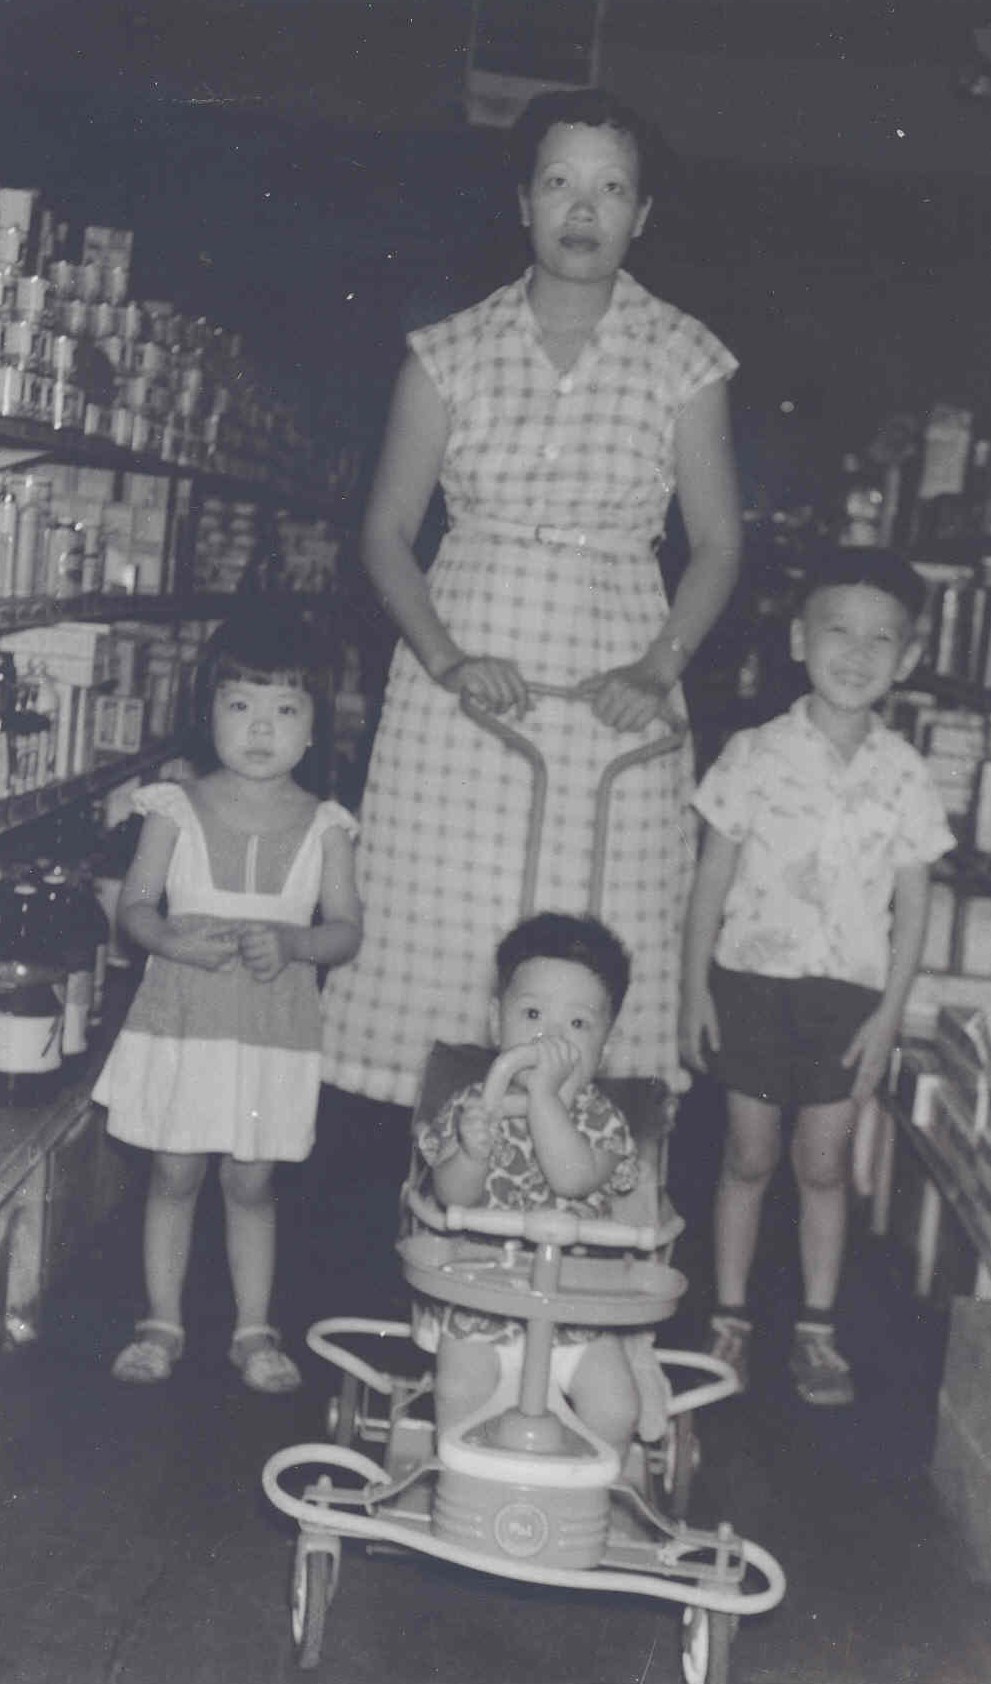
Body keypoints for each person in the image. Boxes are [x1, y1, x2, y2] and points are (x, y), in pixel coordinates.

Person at [320, 87, 741, 1111]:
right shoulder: (446, 352)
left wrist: (658, 668)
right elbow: (384, 531)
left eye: (610, 188)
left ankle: (573, 1196)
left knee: (598, 918)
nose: (583, 210)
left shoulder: (685, 357)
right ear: (523, 202)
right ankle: (443, 1196)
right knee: (447, 930)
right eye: (559, 183)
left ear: (641, 214)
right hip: (462, 675)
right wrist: (447, 658)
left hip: (620, 677)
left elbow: (719, 542)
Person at [679, 548, 954, 1406]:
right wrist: (692, 988)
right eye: (838, 629)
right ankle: (728, 1315)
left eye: (883, 639)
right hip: (751, 987)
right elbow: (710, 883)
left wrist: (889, 1013)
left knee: (825, 1163)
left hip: (848, 1000)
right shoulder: (751, 754)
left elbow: (912, 907)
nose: (857, 651)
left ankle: (816, 1330)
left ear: (907, 660)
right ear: (800, 639)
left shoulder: (906, 774)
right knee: (748, 1155)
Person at [94, 605, 363, 1392]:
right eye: (240, 705)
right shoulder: (172, 808)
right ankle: (160, 1321)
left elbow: (344, 931)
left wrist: (294, 943)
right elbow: (136, 909)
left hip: (270, 1032)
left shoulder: (326, 826)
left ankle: (253, 1329)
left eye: (285, 709)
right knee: (175, 1172)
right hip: (184, 1023)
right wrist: (171, 939)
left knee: (250, 1181)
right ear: (206, 713)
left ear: (315, 728)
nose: (260, 728)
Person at [415, 912, 642, 1456]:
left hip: (576, 1313)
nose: (551, 1037)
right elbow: (452, 1197)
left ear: (605, 1046)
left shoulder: (604, 1122)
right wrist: (471, 1152)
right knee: (458, 1388)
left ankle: (588, 1498)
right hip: (481, 1306)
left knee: (616, 1406)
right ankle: (466, 1488)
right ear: (498, 1024)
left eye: (579, 1025)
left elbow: (571, 1178)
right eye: (533, 1014)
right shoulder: (475, 1106)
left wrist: (544, 1100)